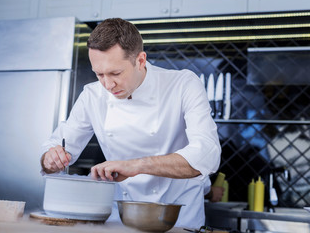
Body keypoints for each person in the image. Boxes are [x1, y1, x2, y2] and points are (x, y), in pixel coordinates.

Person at [40, 18, 221, 228]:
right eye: (99, 74)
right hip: (120, 219)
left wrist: (136, 165)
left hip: (178, 218)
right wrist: (50, 159)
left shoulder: (183, 85)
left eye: (116, 73)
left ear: (141, 60)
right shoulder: (92, 95)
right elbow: (56, 148)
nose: (107, 84)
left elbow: (206, 154)